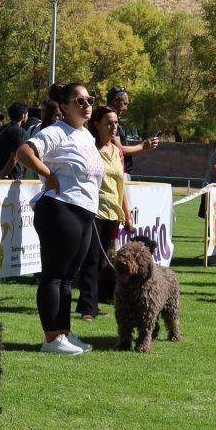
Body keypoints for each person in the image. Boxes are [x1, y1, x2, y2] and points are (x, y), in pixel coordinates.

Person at [11, 82, 102, 353]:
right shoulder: (56, 132)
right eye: (80, 101)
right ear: (64, 107)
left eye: (90, 99)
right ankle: (51, 338)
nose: (87, 105)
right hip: (60, 209)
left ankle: (63, 332)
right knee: (54, 275)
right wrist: (48, 175)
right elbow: (24, 152)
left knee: (67, 278)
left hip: (83, 211)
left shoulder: (85, 135)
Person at [76, 106, 131, 322]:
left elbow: (121, 186)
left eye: (116, 122)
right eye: (109, 122)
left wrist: (126, 214)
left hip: (112, 212)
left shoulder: (117, 151)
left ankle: (90, 301)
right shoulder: (89, 148)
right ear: (97, 124)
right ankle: (88, 309)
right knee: (91, 259)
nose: (114, 126)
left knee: (102, 260)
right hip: (93, 210)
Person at [0, 104, 33, 181]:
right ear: (23, 116)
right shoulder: (21, 133)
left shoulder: (0, 130)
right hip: (11, 180)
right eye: (27, 114)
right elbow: (14, 157)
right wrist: (3, 174)